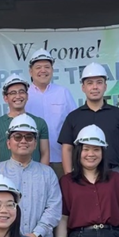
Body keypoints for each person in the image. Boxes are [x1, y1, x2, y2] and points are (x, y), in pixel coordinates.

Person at [58, 62, 119, 177]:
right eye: (90, 83)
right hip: (82, 175)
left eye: (99, 82)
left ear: (105, 86)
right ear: (83, 87)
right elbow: (67, 148)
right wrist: (69, 177)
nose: (95, 87)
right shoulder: (73, 117)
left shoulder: (118, 114)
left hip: (112, 173)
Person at [25, 49, 77, 178]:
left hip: (61, 158)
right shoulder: (23, 95)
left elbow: (75, 124)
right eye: (38, 67)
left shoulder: (63, 93)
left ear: (52, 70)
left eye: (47, 67)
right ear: (31, 71)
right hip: (32, 159)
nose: (43, 71)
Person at [0, 74, 49, 165]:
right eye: (13, 93)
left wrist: (40, 175)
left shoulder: (39, 123)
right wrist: (0, 176)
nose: (18, 96)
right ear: (5, 98)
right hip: (5, 177)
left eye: (21, 92)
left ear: (27, 96)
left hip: (34, 176)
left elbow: (45, 153)